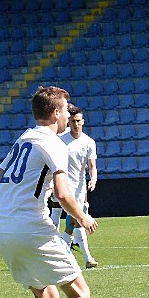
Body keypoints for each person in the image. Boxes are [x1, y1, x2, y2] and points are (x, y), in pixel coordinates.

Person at [0, 86, 119, 298]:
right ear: (56, 113)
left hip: (4, 230)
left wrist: (14, 210)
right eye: (66, 107)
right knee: (80, 292)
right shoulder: (54, 143)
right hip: (32, 229)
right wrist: (81, 217)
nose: (69, 112)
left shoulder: (24, 140)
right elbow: (62, 192)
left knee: (47, 297)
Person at [49, 104, 99, 267]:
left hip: (79, 188)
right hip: (62, 185)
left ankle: (63, 249)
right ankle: (86, 257)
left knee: (77, 221)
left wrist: (93, 178)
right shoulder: (61, 140)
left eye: (78, 121)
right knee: (61, 216)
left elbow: (92, 165)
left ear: (83, 122)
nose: (75, 124)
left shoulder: (89, 142)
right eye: (72, 121)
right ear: (68, 122)